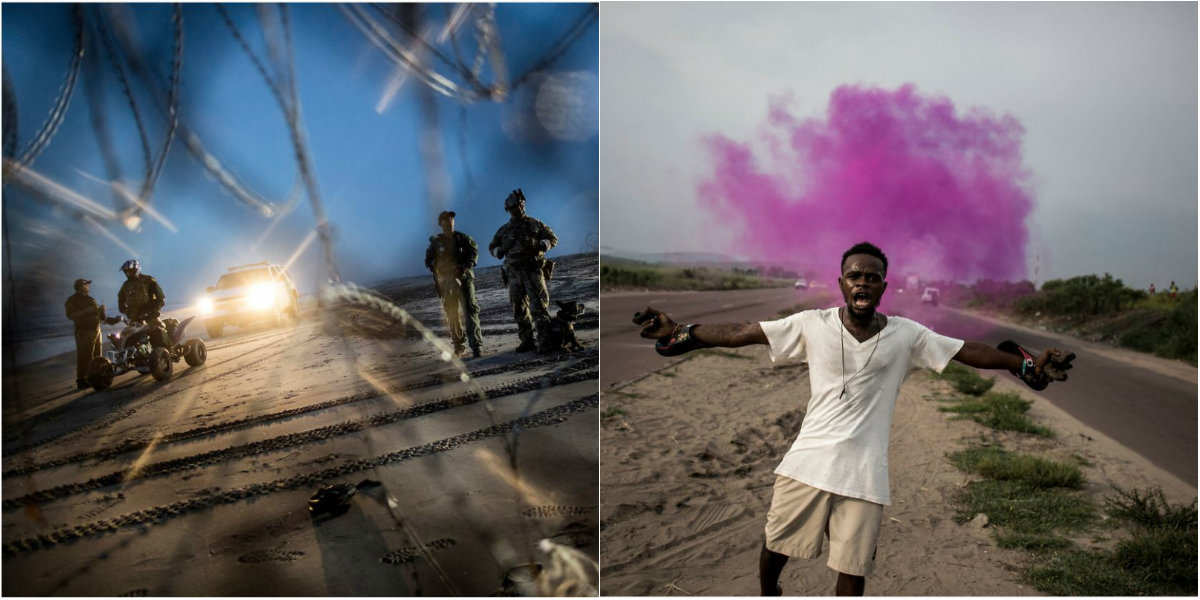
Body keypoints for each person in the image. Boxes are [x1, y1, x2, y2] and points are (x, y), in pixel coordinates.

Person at [634, 241, 1075, 596]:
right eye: (854, 275)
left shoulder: (908, 335)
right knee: (775, 546)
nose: (863, 282)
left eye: (872, 276)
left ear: (884, 286)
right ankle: (770, 593)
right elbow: (743, 333)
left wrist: (1024, 365)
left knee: (853, 569)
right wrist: (681, 334)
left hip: (865, 471)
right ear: (841, 283)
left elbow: (965, 351)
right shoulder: (812, 323)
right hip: (807, 463)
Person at [488, 189, 558, 354]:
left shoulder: (534, 224)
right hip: (513, 273)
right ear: (508, 210)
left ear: (522, 206)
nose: (515, 210)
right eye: (511, 208)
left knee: (538, 307)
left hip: (532, 270)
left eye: (517, 207)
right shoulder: (503, 231)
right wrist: (501, 249)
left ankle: (545, 341)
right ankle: (526, 341)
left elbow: (553, 239)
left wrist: (538, 244)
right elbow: (492, 248)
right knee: (519, 309)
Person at [424, 210, 483, 358]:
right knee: (452, 315)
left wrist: (466, 265)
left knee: (470, 311)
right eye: (446, 220)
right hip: (447, 282)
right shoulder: (436, 243)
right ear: (441, 223)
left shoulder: (462, 238)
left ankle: (475, 346)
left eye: (451, 219)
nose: (450, 222)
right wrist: (436, 264)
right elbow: (428, 260)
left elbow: (473, 251)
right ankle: (458, 346)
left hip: (464, 279)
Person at [116, 259, 169, 347]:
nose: (128, 274)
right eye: (126, 272)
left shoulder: (148, 280)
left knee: (159, 334)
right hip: (134, 319)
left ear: (136, 270)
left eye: (130, 271)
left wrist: (154, 309)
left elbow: (160, 298)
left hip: (150, 316)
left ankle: (168, 352)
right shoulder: (126, 285)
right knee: (128, 340)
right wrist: (124, 310)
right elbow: (120, 299)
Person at [64, 278, 105, 390]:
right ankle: (82, 380)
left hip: (96, 329)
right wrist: (87, 310)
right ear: (81, 286)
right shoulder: (72, 300)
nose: (88, 286)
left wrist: (102, 311)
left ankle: (95, 377)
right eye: (86, 284)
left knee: (97, 354)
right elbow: (71, 315)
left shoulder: (92, 299)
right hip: (83, 331)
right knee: (84, 355)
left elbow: (100, 317)